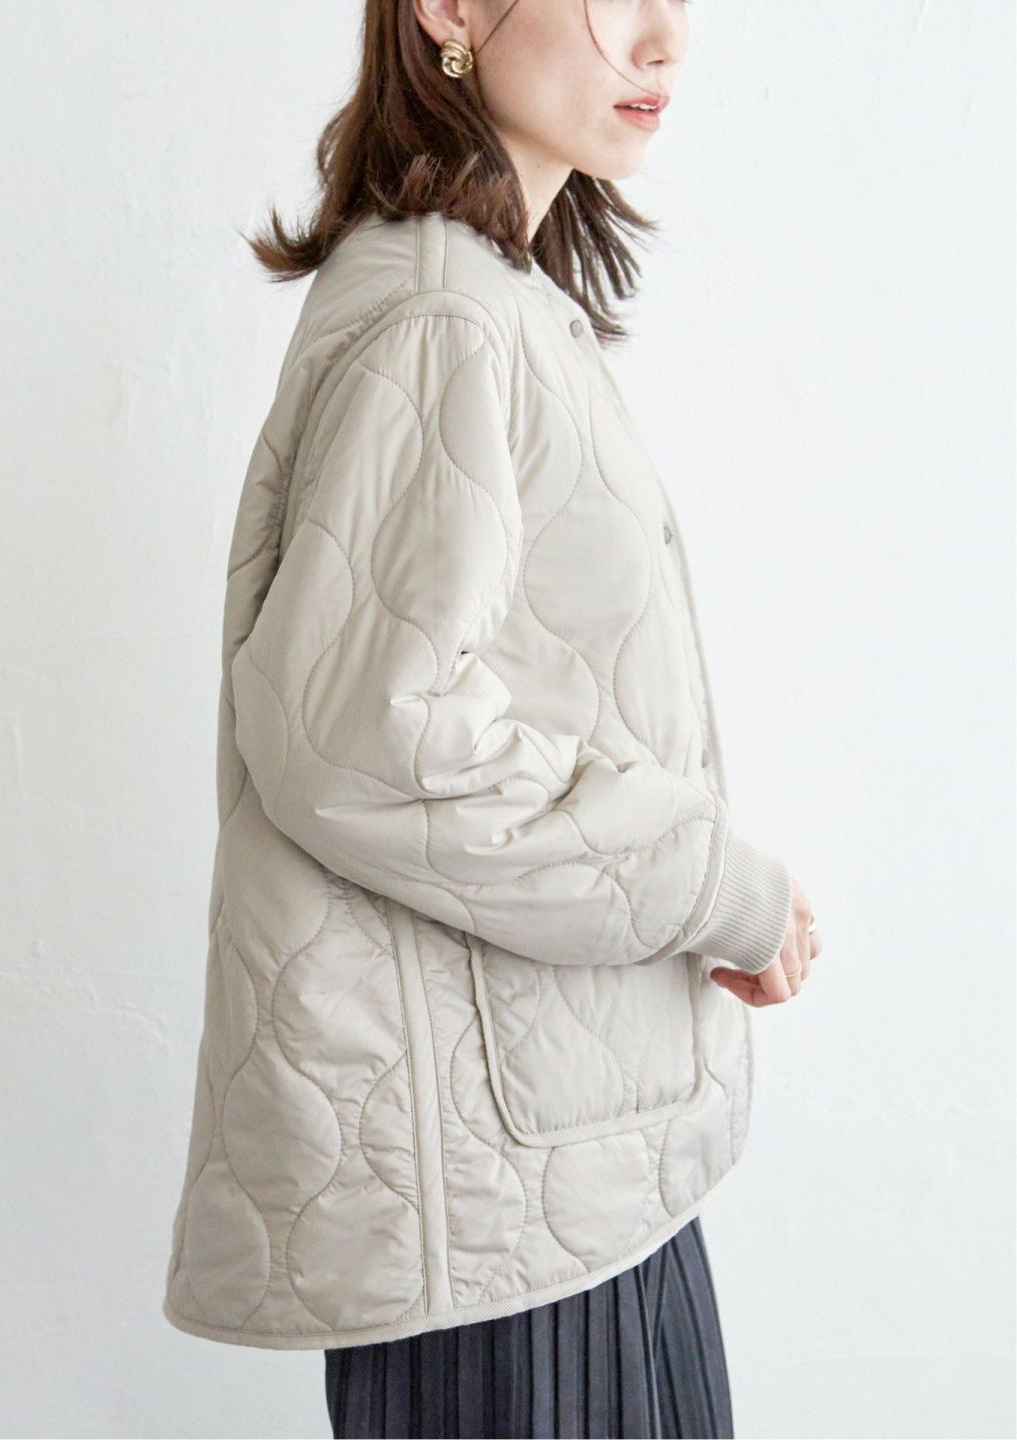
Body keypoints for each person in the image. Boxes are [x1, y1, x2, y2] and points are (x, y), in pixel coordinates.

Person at [161, 1, 822, 1435]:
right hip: (502, 1218)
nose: (664, 39)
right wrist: (715, 880)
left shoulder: (488, 299)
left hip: (558, 1170)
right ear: (451, 9)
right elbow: (366, 736)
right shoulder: (444, 314)